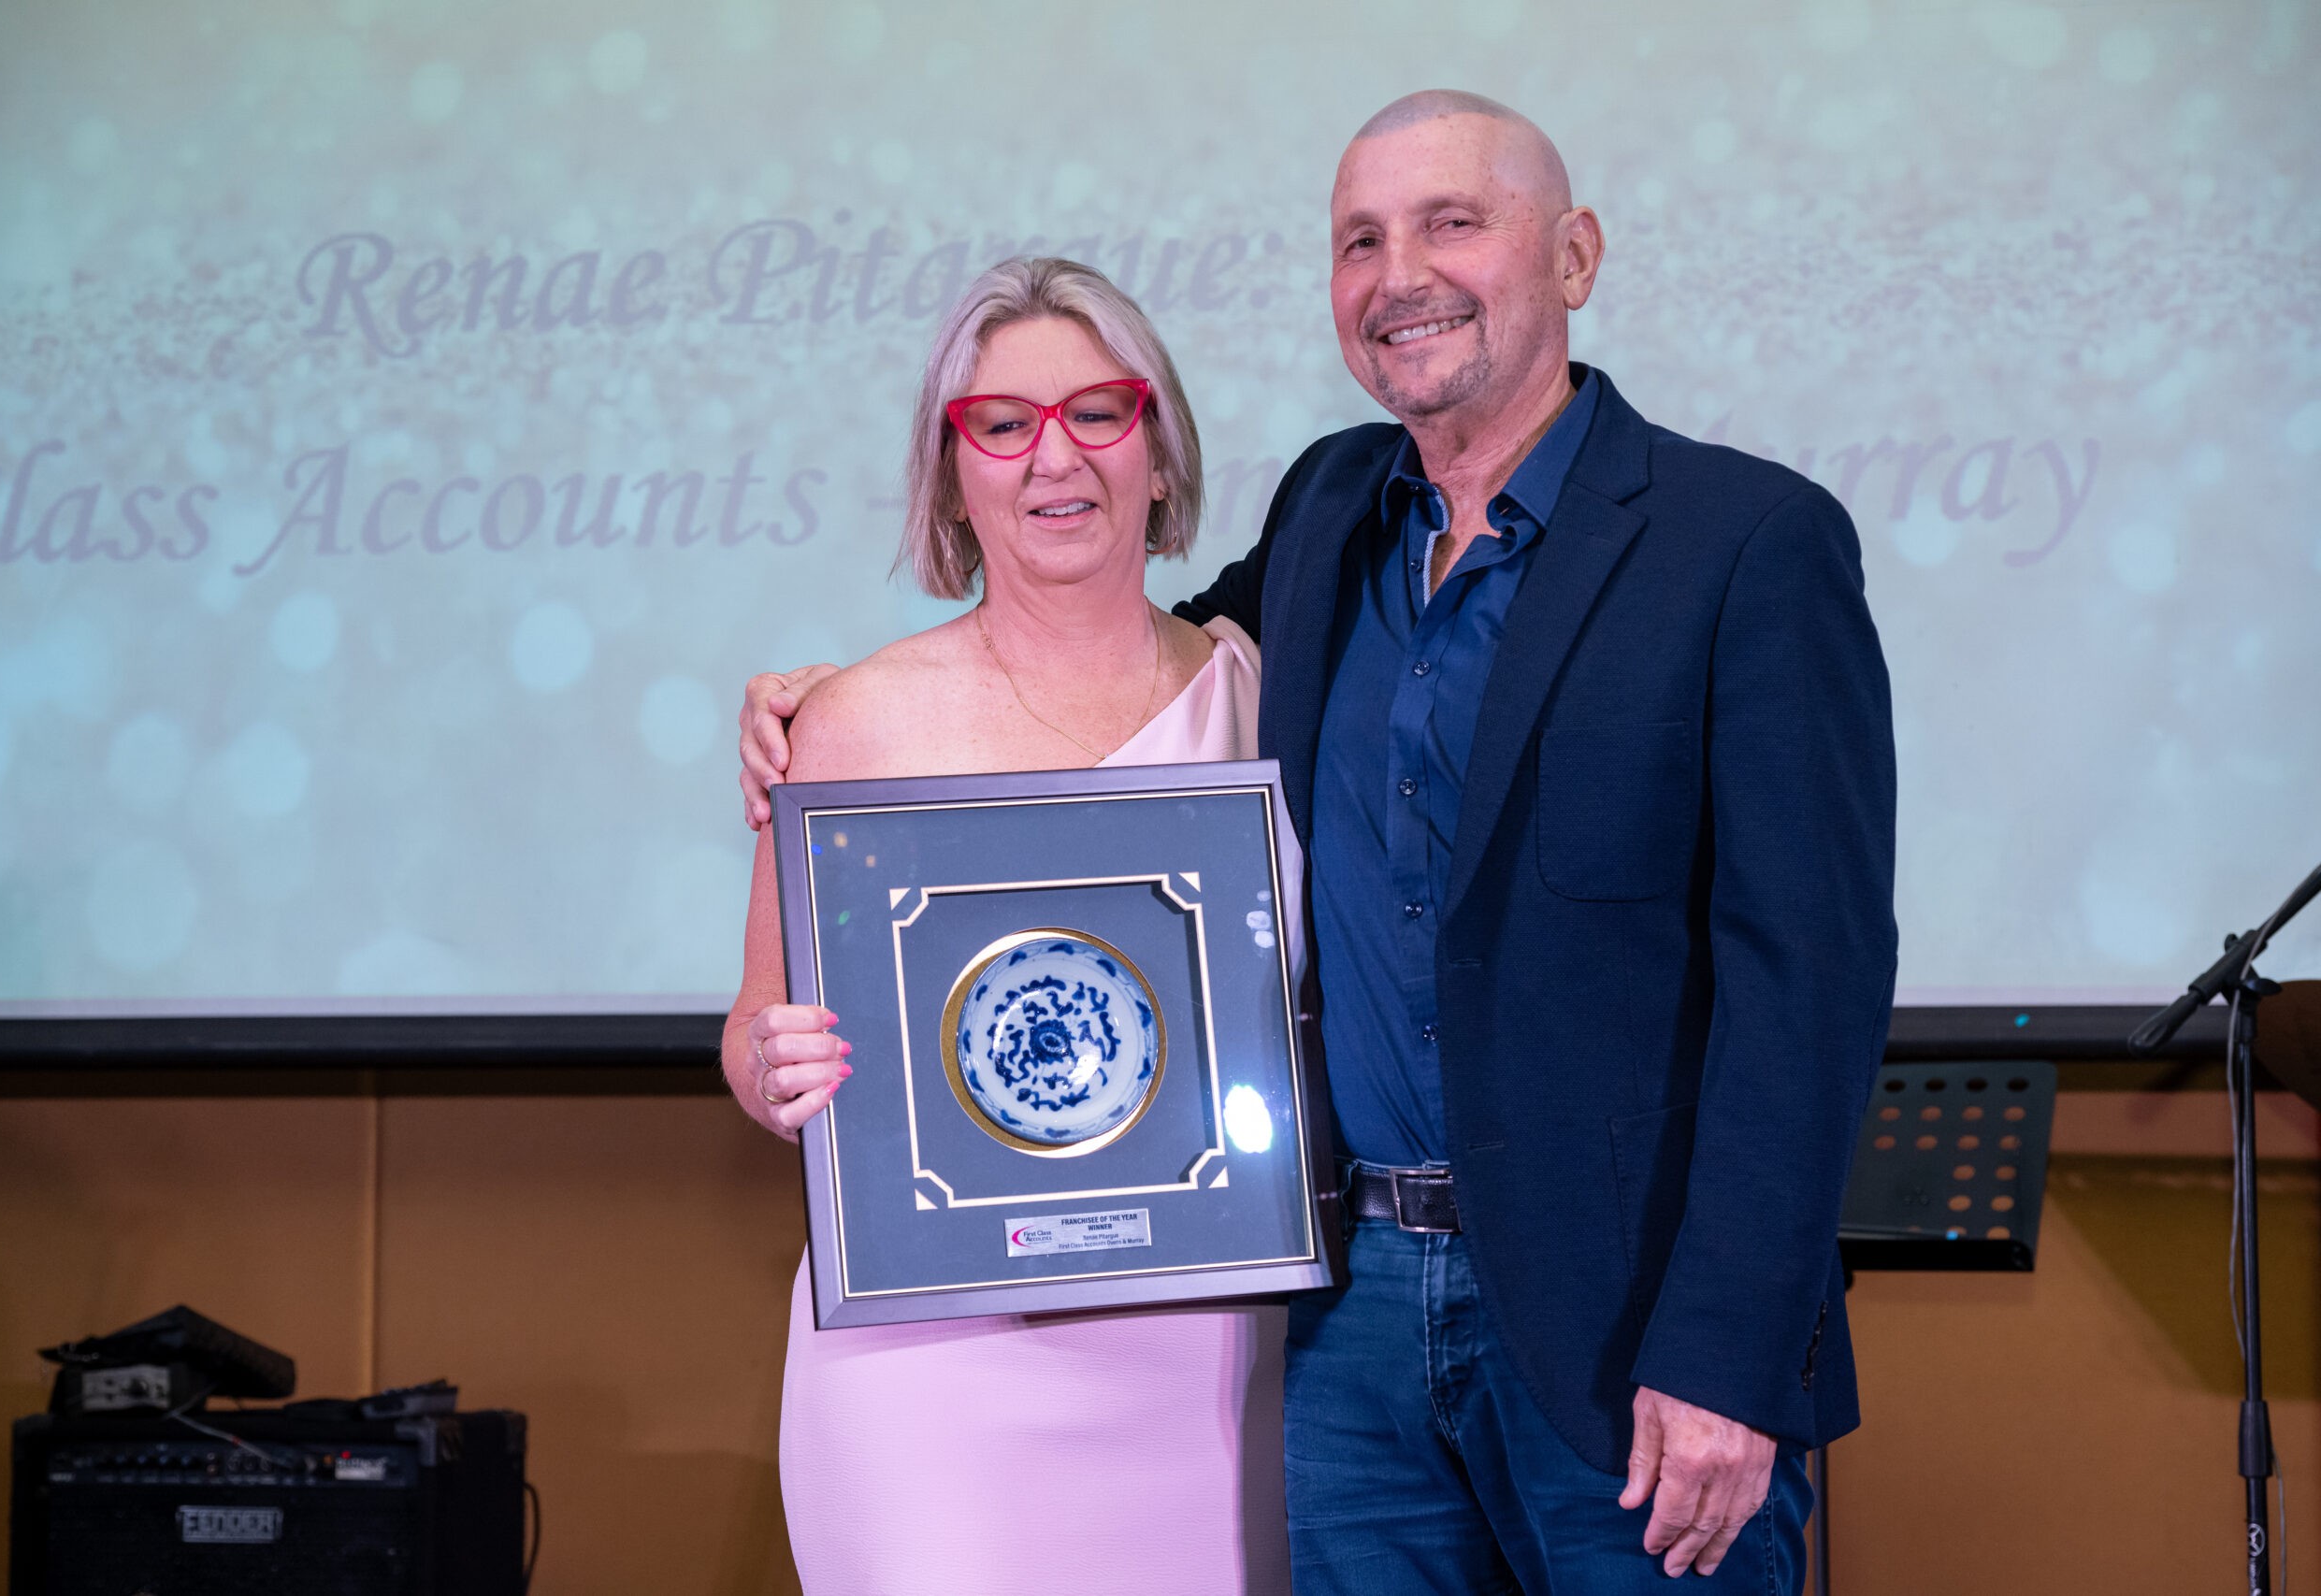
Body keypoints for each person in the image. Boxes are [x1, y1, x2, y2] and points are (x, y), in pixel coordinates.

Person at [741, 92, 1896, 1594]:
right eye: (1361, 239)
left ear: (1577, 255)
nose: (1399, 271)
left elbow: (1806, 987)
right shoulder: (1331, 514)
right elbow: (1100, 651)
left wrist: (1734, 1354)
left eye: (1451, 223)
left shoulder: (1745, 544)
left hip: (1625, 1338)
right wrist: (818, 701)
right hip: (1346, 1332)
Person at [719, 255, 1294, 1596]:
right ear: (951, 475)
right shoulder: (853, 721)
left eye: (1100, 412)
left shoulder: (1267, 697)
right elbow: (753, 1030)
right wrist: (773, 1067)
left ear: (1160, 453)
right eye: (1002, 424)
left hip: (1209, 1359)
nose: (1057, 458)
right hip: (935, 1367)